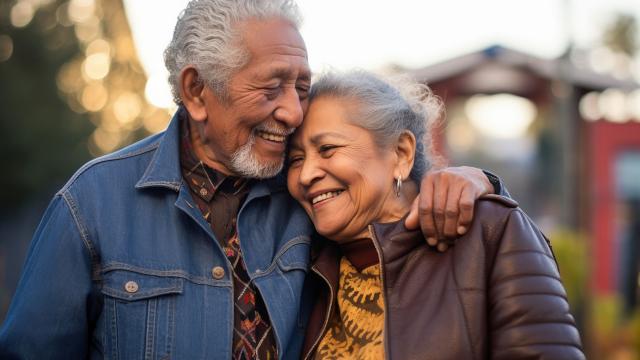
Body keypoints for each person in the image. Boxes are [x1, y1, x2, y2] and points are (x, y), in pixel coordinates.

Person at [0, 1, 507, 359]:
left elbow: (389, 212)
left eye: (301, 87)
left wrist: (472, 180)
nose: (291, 112)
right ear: (197, 91)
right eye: (271, 87)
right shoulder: (91, 204)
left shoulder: (307, 193)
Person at [286, 70, 585, 359]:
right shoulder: (300, 267)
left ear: (401, 153)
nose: (306, 175)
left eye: (327, 149)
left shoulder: (489, 231)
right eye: (296, 159)